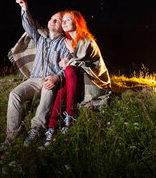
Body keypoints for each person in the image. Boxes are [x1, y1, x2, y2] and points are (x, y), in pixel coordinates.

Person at [0, 0, 71, 152]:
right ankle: (12, 137)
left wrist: (57, 77)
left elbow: (68, 67)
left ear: (62, 26)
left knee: (48, 89)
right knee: (14, 95)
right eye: (52, 18)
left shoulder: (65, 43)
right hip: (34, 79)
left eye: (57, 20)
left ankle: (36, 129)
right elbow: (29, 26)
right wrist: (24, 8)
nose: (52, 21)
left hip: (50, 80)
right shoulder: (41, 37)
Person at [43, 10, 111, 147]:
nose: (64, 22)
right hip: (78, 78)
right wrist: (67, 60)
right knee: (63, 90)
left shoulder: (85, 39)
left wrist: (68, 58)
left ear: (77, 22)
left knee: (69, 69)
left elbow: (78, 62)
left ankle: (71, 114)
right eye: (64, 20)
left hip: (94, 80)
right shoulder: (71, 41)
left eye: (68, 19)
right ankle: (51, 127)